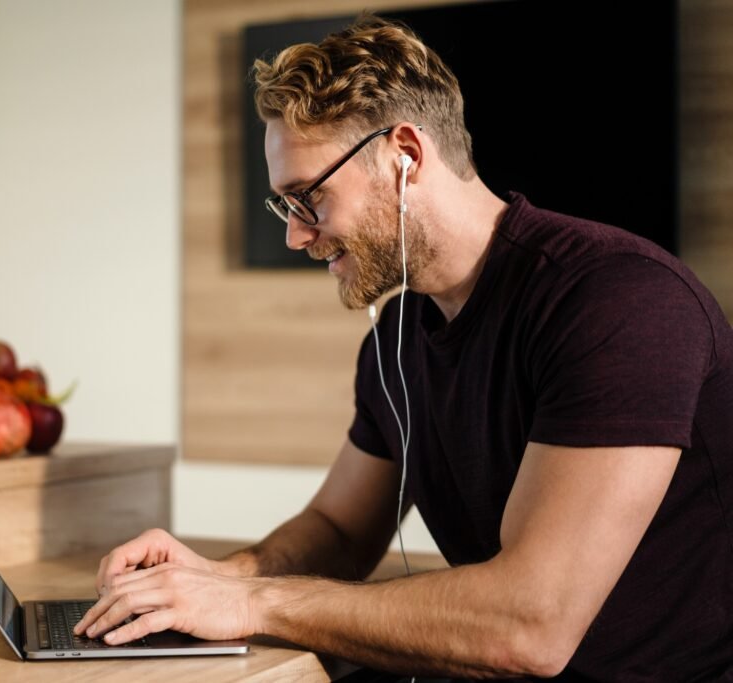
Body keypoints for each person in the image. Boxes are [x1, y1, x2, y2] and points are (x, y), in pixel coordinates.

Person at [74, 15, 733, 681]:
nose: (296, 238)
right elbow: (338, 528)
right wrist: (216, 575)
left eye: (309, 198)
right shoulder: (396, 335)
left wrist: (250, 600)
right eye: (286, 207)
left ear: (406, 156)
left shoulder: (618, 303)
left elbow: (531, 625)